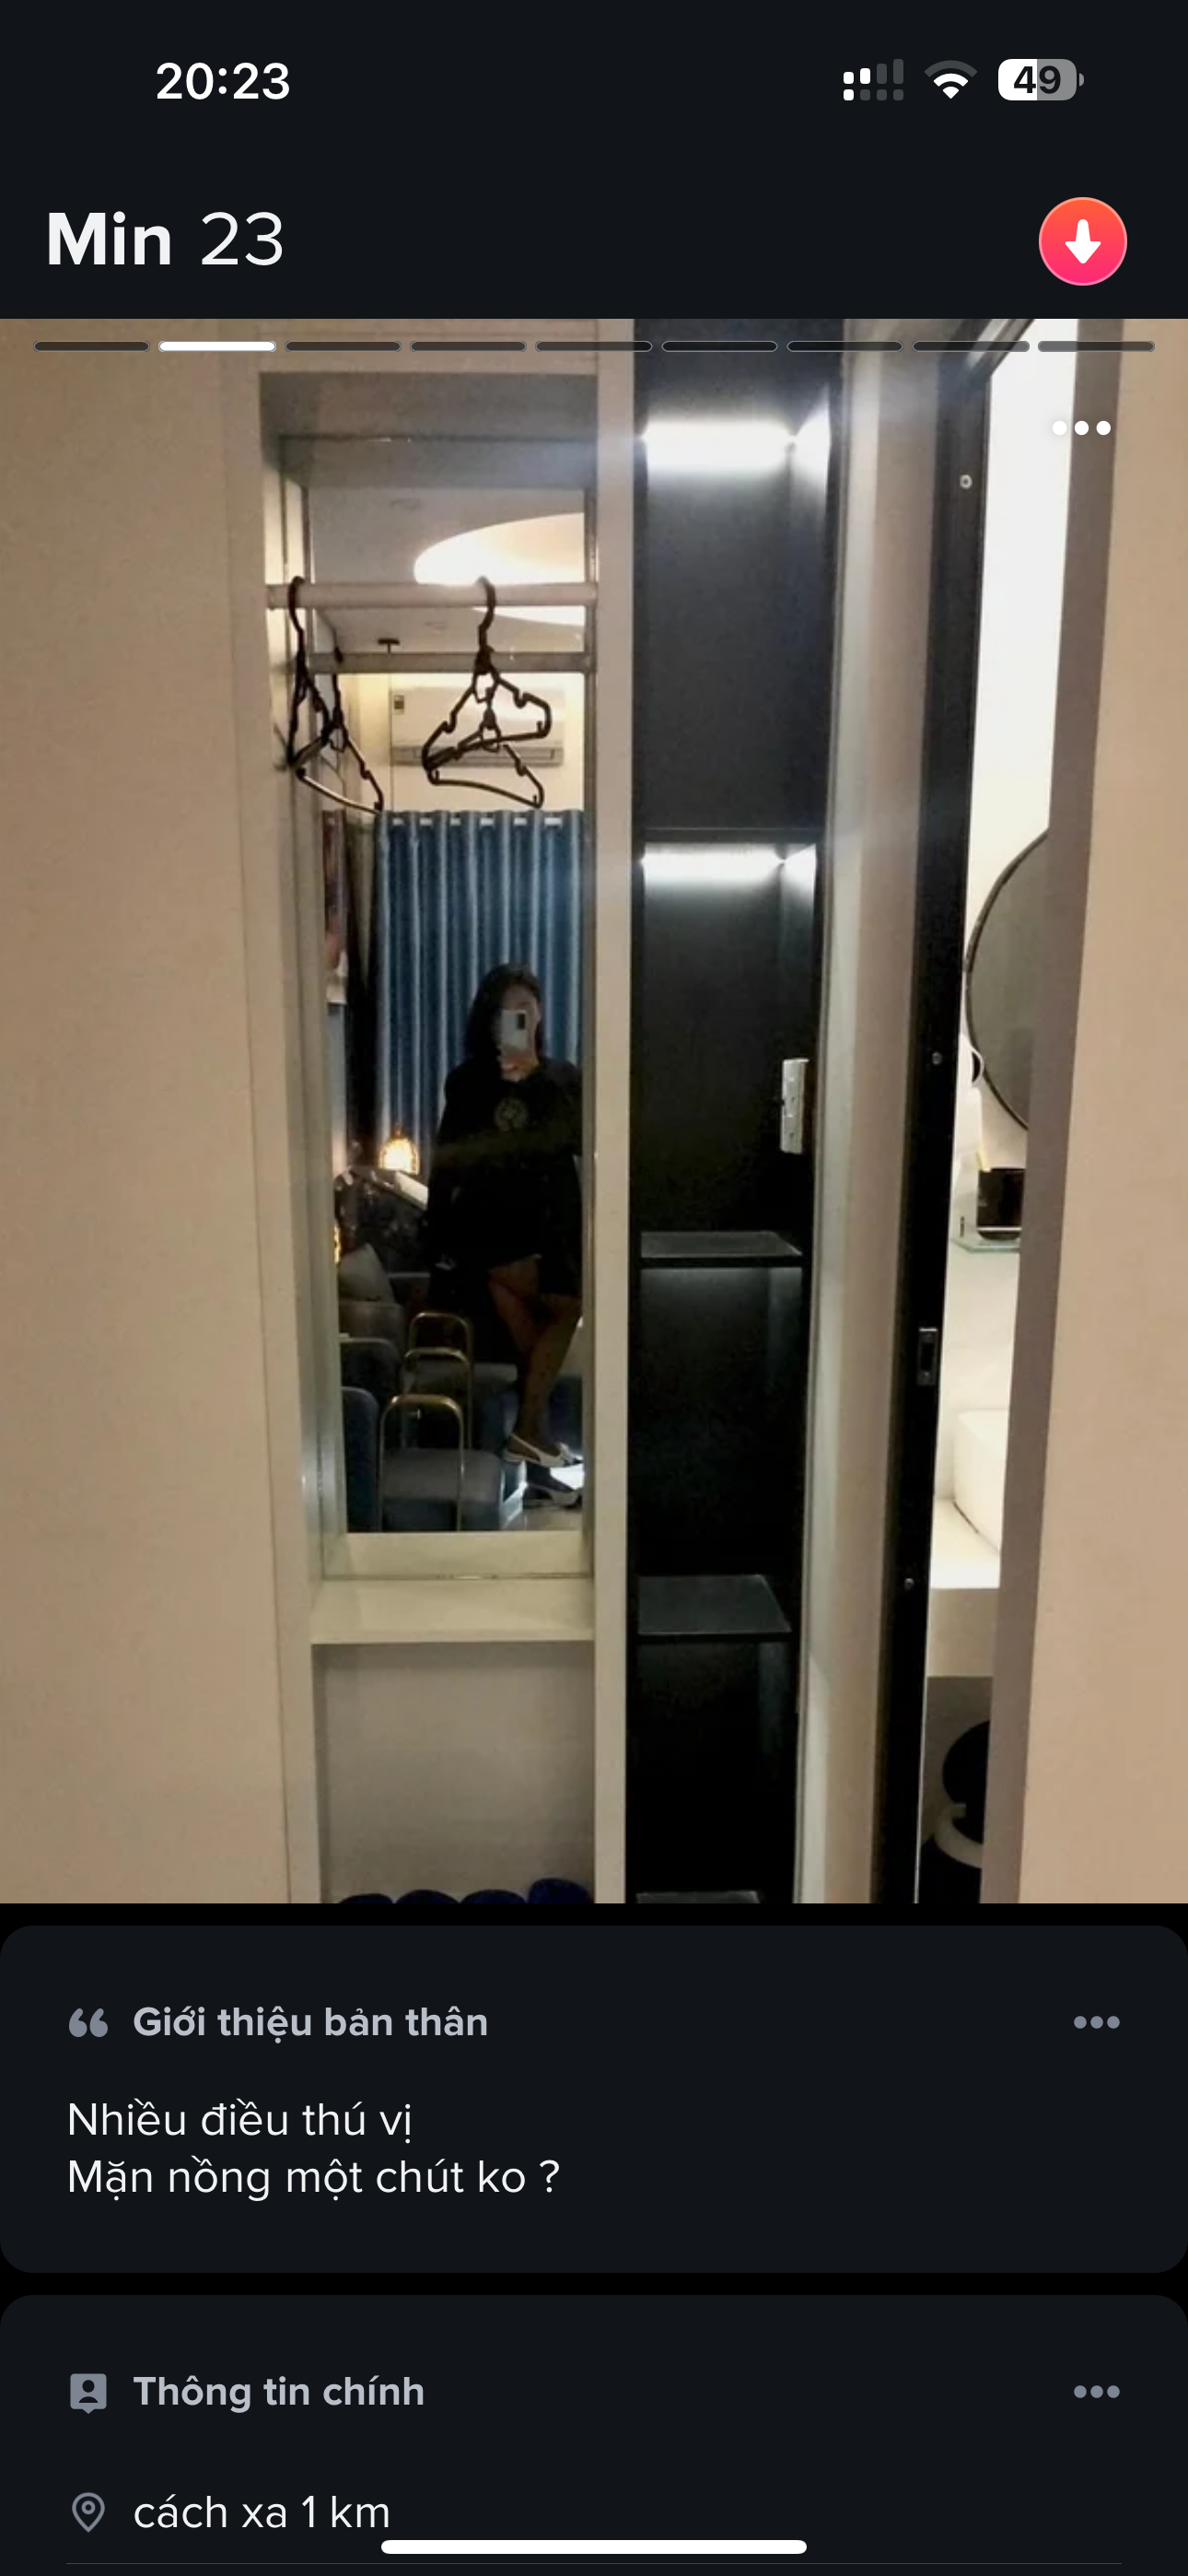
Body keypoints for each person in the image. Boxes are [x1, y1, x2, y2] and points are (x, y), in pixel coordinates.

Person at [426, 965, 582, 1469]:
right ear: (489, 1020)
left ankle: (533, 1439)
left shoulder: (562, 1078)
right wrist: (437, 1238)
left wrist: (534, 1075)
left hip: (549, 1230)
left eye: (527, 1009)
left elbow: (578, 1140)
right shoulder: (468, 1081)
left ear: (540, 1015)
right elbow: (448, 1160)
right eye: (507, 1011)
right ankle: (529, 1432)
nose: (519, 1018)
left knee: (530, 1335)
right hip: (489, 1231)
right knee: (569, 1307)